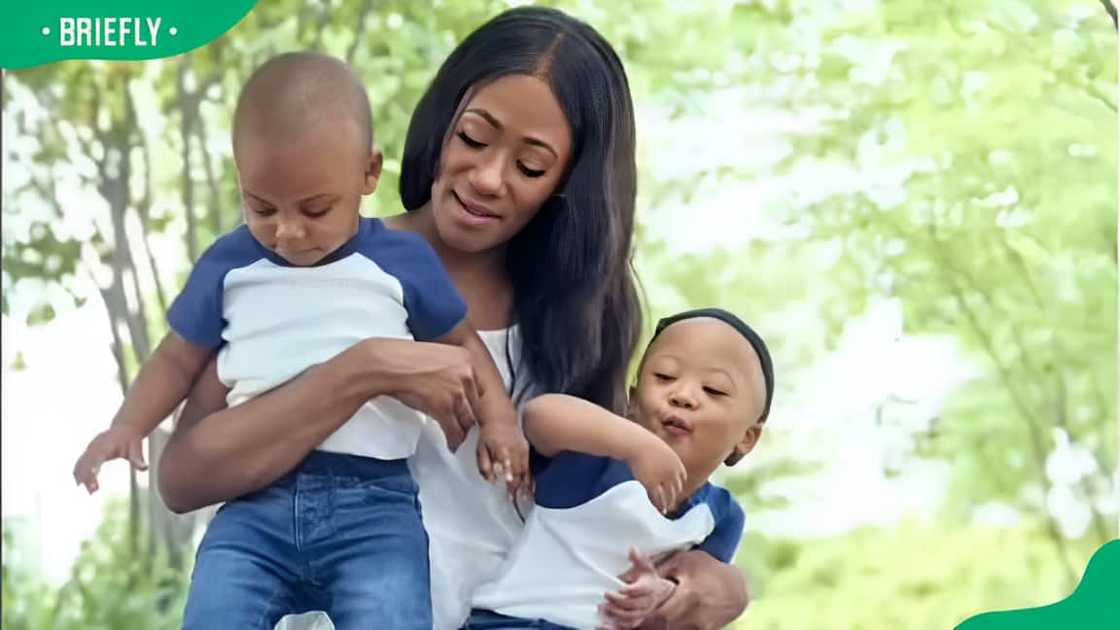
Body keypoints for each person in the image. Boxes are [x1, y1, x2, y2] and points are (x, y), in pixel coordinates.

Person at [158, 7, 750, 629]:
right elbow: (184, 477)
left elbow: (622, 510)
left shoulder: (577, 327)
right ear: (443, 121)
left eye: (529, 166)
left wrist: (720, 580)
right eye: (473, 137)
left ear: (569, 184)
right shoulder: (309, 264)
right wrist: (364, 370)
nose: (488, 178)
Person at [73, 52, 527, 629]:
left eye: (315, 209)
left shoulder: (401, 261)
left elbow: (462, 345)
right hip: (252, 508)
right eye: (261, 207)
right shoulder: (230, 264)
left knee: (392, 615)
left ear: (367, 174)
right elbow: (176, 357)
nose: (287, 231)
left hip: (375, 507)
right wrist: (127, 425)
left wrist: (502, 422)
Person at [466, 308, 774, 629]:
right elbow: (539, 415)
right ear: (632, 400)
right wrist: (635, 443)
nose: (682, 395)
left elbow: (695, 587)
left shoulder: (721, 516)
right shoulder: (600, 463)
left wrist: (663, 593)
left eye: (714, 390)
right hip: (518, 620)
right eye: (665, 377)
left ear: (747, 438)